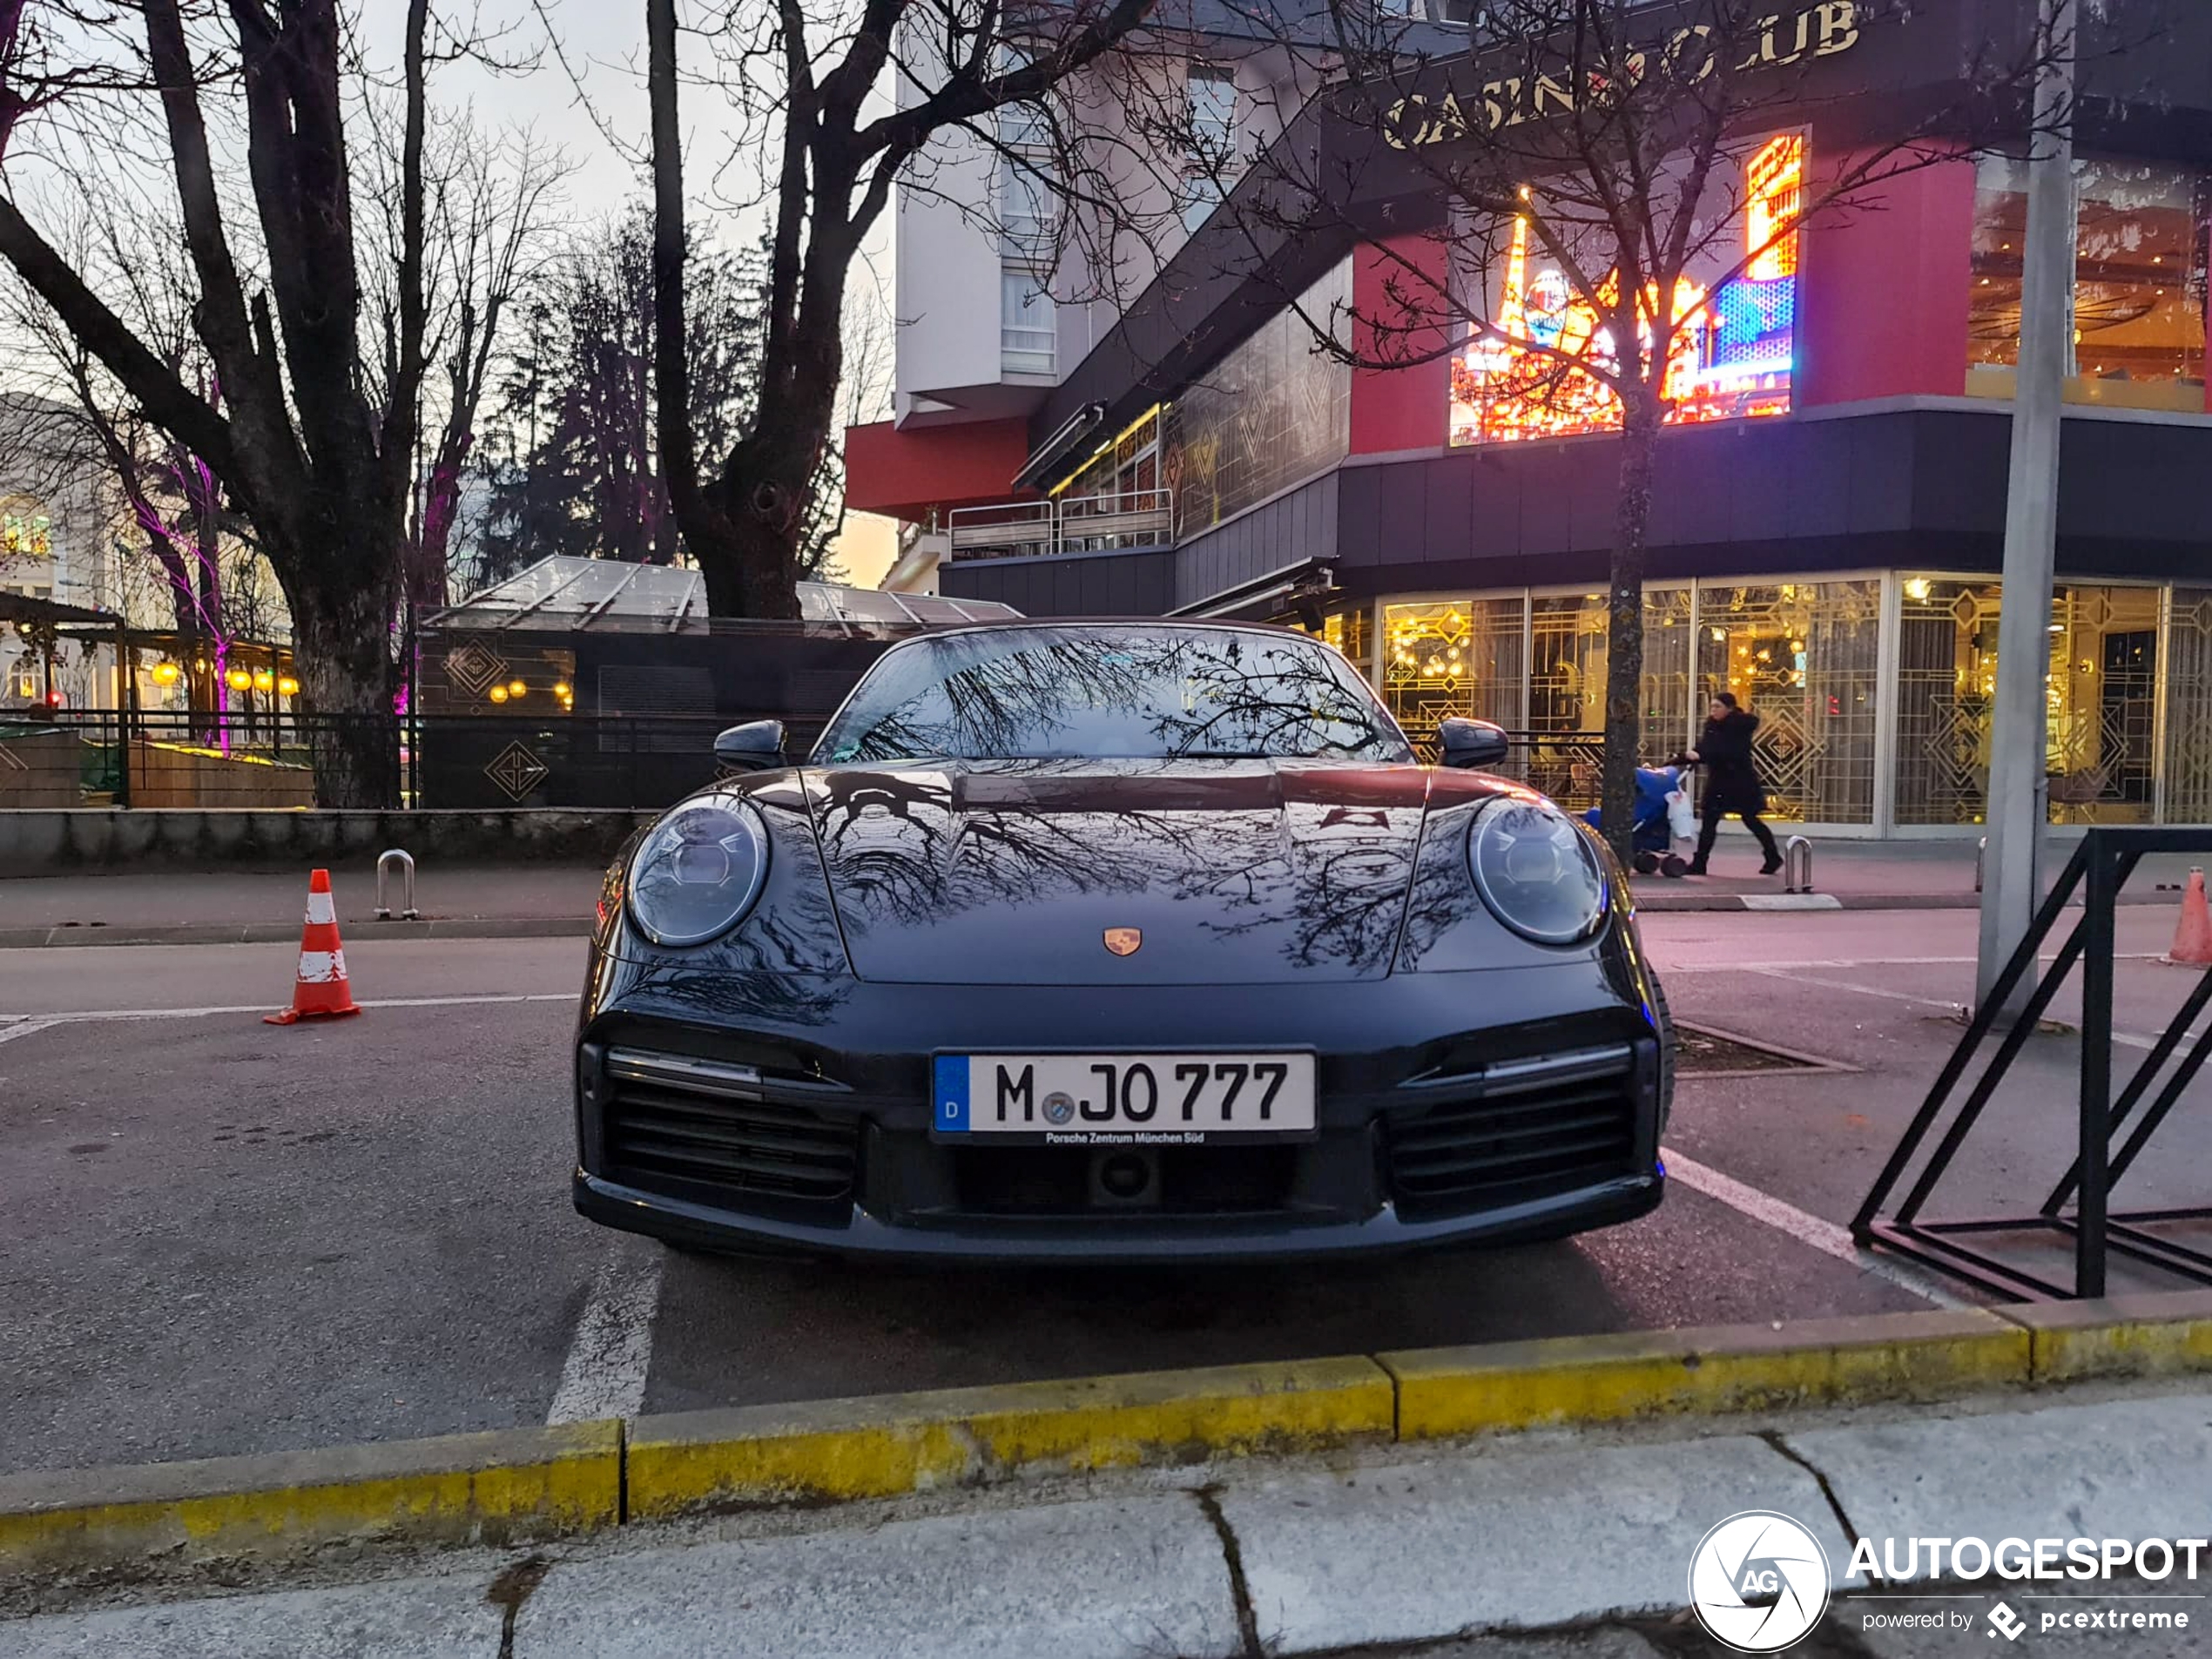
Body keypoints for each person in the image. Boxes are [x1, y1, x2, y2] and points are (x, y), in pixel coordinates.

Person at [1678, 692, 1781, 877]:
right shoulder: (1712, 726)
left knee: (1751, 820)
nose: (1713, 711)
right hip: (1718, 782)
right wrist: (1688, 754)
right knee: (1709, 822)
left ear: (1729, 708)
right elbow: (1706, 746)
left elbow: (1726, 751)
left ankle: (1772, 856)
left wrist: (1701, 755)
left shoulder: (1739, 726)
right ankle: (1700, 863)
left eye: (1717, 707)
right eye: (1712, 707)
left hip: (1739, 781)